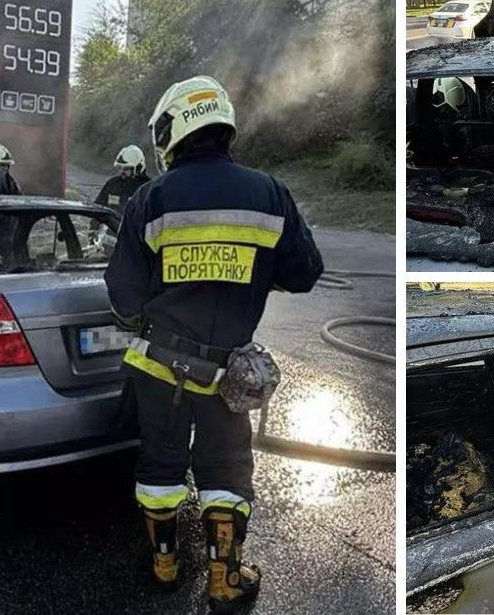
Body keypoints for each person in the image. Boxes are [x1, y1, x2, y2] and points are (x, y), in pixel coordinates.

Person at [105, 75, 324, 610]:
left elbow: (122, 295)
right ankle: (224, 579)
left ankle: (165, 565)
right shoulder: (269, 193)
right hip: (229, 375)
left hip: (158, 368)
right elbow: (305, 273)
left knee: (160, 465)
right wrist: (253, 270)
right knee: (226, 469)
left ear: (174, 129)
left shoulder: (150, 199)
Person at [94, 145, 151, 215]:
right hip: (113, 225)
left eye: (126, 168)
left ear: (138, 168)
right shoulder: (112, 184)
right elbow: (97, 210)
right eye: (120, 168)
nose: (122, 172)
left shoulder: (148, 188)